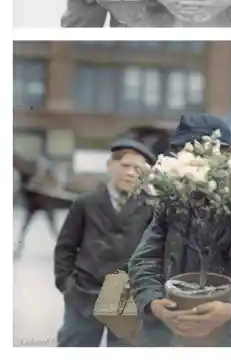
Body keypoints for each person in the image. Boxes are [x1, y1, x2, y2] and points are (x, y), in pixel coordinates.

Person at [128, 114, 231, 346]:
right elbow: (145, 259)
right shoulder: (171, 201)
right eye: (184, 154)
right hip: (171, 327)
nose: (189, 162)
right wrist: (155, 304)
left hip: (230, 334)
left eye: (198, 154)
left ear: (225, 155)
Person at [54, 139, 156, 346]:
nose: (130, 173)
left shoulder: (149, 207)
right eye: (125, 165)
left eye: (138, 169)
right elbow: (66, 246)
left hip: (127, 297)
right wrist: (66, 284)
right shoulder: (86, 202)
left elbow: (153, 252)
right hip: (84, 293)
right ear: (110, 165)